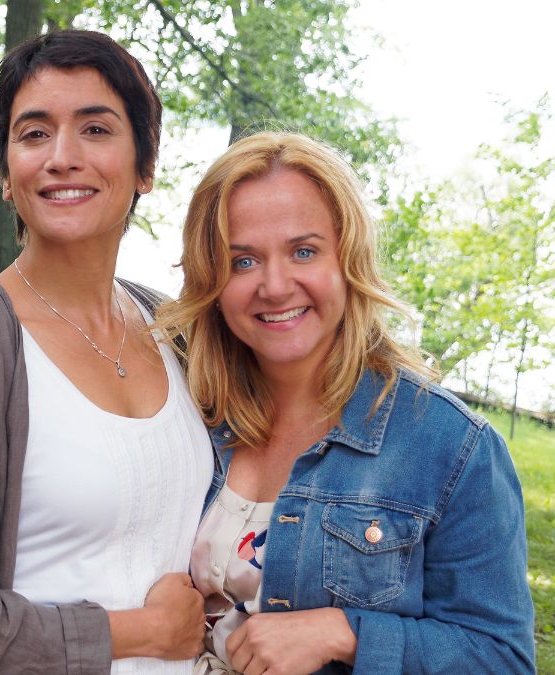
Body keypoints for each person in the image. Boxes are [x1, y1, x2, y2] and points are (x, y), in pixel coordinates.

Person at [0, 30, 212, 674]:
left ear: (145, 167)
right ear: (8, 175)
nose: (62, 157)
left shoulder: (177, 329)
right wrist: (141, 631)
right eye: (34, 134)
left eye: (95, 129)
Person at [162, 131, 534, 675]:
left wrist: (346, 633)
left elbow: (501, 658)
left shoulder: (452, 449)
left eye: (303, 251)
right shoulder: (186, 413)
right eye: (242, 261)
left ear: (348, 258)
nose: (274, 284)